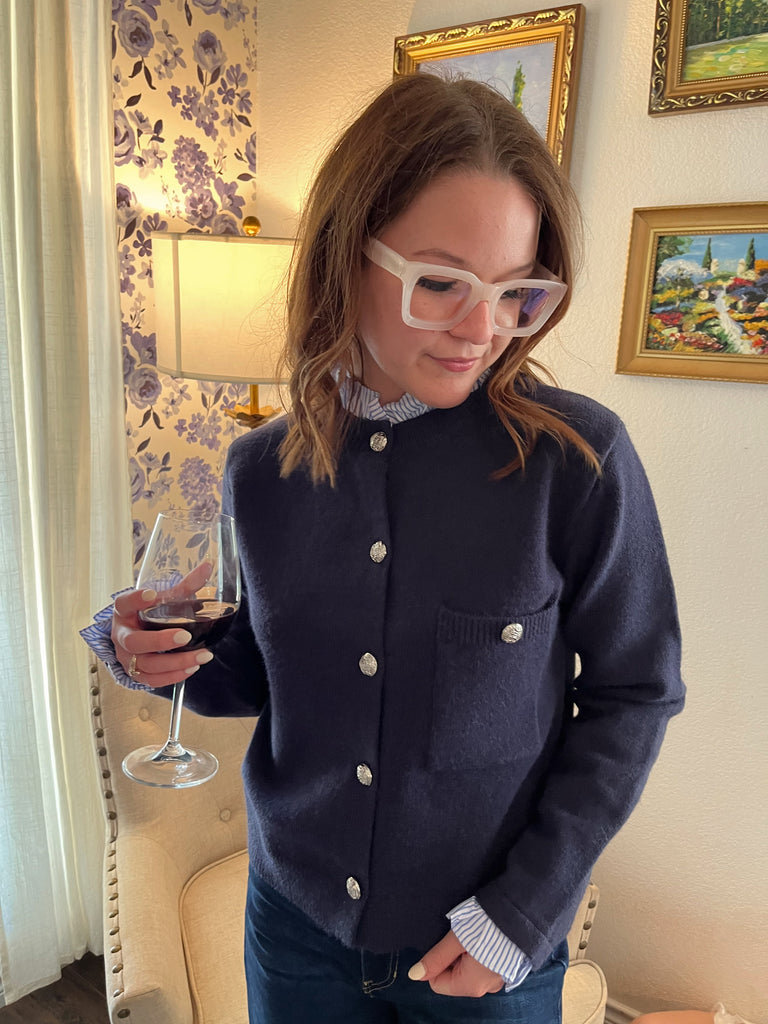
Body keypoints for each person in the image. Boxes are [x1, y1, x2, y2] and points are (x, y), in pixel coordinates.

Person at [94, 73, 686, 1023]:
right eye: (440, 283)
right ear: (346, 257)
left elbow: (636, 693)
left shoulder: (576, 461)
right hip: (293, 931)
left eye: (516, 292)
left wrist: (521, 914)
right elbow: (256, 683)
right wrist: (149, 654)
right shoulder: (263, 469)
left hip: (486, 947)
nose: (483, 329)